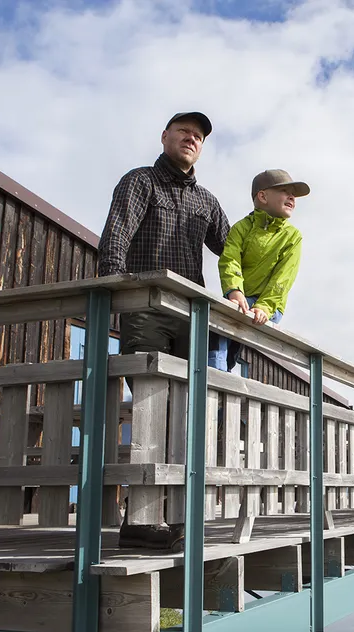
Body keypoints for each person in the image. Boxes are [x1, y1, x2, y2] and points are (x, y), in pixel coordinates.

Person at [98, 111, 230, 550]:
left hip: (190, 316)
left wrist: (260, 292)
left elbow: (235, 251)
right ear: (164, 137)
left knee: (186, 414)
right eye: (184, 131)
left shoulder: (207, 201)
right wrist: (114, 287)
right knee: (151, 405)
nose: (192, 138)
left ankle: (175, 517)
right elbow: (117, 234)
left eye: (198, 136)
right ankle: (138, 522)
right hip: (146, 308)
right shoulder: (141, 182)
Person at [208, 169, 310, 371]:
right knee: (219, 325)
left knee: (227, 326)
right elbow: (230, 260)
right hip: (240, 299)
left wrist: (265, 306)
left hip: (269, 303)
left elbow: (283, 279)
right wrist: (234, 290)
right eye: (285, 191)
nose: (292, 197)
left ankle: (217, 376)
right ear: (263, 196)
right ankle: (217, 377)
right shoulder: (241, 228)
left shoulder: (292, 237)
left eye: (294, 195)